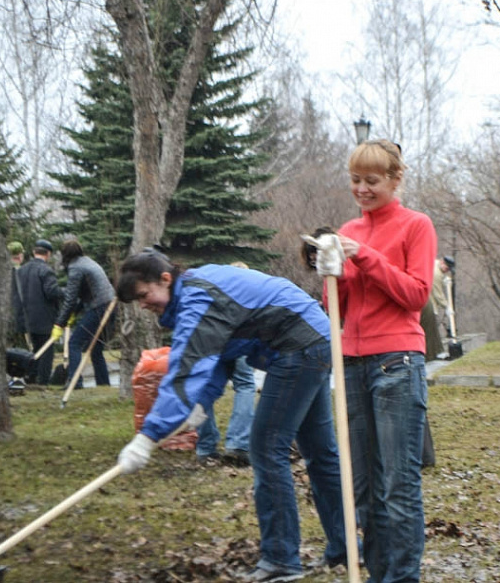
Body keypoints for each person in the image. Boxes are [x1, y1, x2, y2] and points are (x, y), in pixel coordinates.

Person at [115, 250, 347, 583]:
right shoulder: (196, 290)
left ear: (165, 279)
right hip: (313, 337)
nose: (143, 305)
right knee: (319, 453)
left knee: (267, 448)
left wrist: (148, 435)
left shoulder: (197, 298)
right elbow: (220, 355)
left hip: (298, 346)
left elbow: (185, 368)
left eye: (143, 295)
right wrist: (200, 406)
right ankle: (344, 549)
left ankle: (281, 560)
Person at [328, 139, 436, 582]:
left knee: (398, 484)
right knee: (364, 488)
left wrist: (366, 257)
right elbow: (337, 307)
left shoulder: (416, 226)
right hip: (352, 364)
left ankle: (401, 577)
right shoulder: (347, 230)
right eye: (355, 180)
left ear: (395, 179)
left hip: (397, 362)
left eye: (372, 181)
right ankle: (377, 574)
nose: (362, 189)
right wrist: (330, 273)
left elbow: (416, 294)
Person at [196, 262, 255, 468]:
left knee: (204, 388)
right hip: (240, 338)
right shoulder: (250, 290)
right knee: (245, 385)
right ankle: (238, 444)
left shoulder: (213, 290)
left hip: (213, 340)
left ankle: (206, 448)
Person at [51, 239, 116, 388]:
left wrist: (59, 324)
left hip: (99, 307)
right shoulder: (88, 262)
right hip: (111, 305)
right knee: (95, 349)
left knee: (74, 343)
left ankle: (75, 382)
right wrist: (74, 314)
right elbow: (84, 294)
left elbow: (70, 299)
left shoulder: (75, 268)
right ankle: (103, 384)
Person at [13, 240, 63, 384]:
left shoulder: (21, 271)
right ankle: (43, 381)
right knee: (46, 352)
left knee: (34, 350)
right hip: (44, 318)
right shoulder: (45, 270)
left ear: (34, 252)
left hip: (26, 318)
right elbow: (52, 292)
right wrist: (66, 292)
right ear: (48, 254)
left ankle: (32, 377)